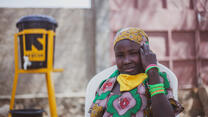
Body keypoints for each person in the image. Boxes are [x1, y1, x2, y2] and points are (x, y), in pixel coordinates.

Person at [88, 27, 183, 117]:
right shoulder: (107, 85)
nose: (126, 61)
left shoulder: (158, 79)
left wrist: (152, 72)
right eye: (120, 55)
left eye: (133, 53)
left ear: (146, 53)